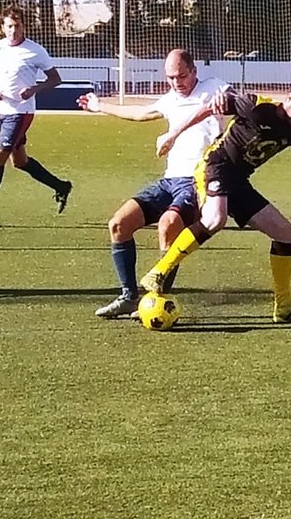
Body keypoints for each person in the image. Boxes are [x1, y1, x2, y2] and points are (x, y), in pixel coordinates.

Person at [138, 81, 291, 323]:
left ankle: (284, 308)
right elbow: (211, 107)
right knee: (215, 219)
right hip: (215, 167)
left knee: (285, 233)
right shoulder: (257, 106)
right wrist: (174, 134)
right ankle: (158, 272)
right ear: (289, 98)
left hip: (239, 181)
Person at [81, 49, 231, 318]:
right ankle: (128, 297)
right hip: (169, 180)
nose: (177, 83)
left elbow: (236, 99)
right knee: (118, 224)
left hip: (199, 180)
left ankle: (156, 300)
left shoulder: (213, 87)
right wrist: (98, 105)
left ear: (194, 71)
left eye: (182, 76)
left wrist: (225, 99)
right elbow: (139, 113)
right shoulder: (170, 99)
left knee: (168, 225)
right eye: (171, 77)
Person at [0, 5, 73, 228]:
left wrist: (34, 89)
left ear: (24, 26)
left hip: (21, 113)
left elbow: (55, 79)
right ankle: (61, 186)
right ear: (2, 27)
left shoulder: (36, 51)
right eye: (10, 26)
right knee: (20, 162)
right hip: (2, 112)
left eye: (18, 25)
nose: (14, 30)